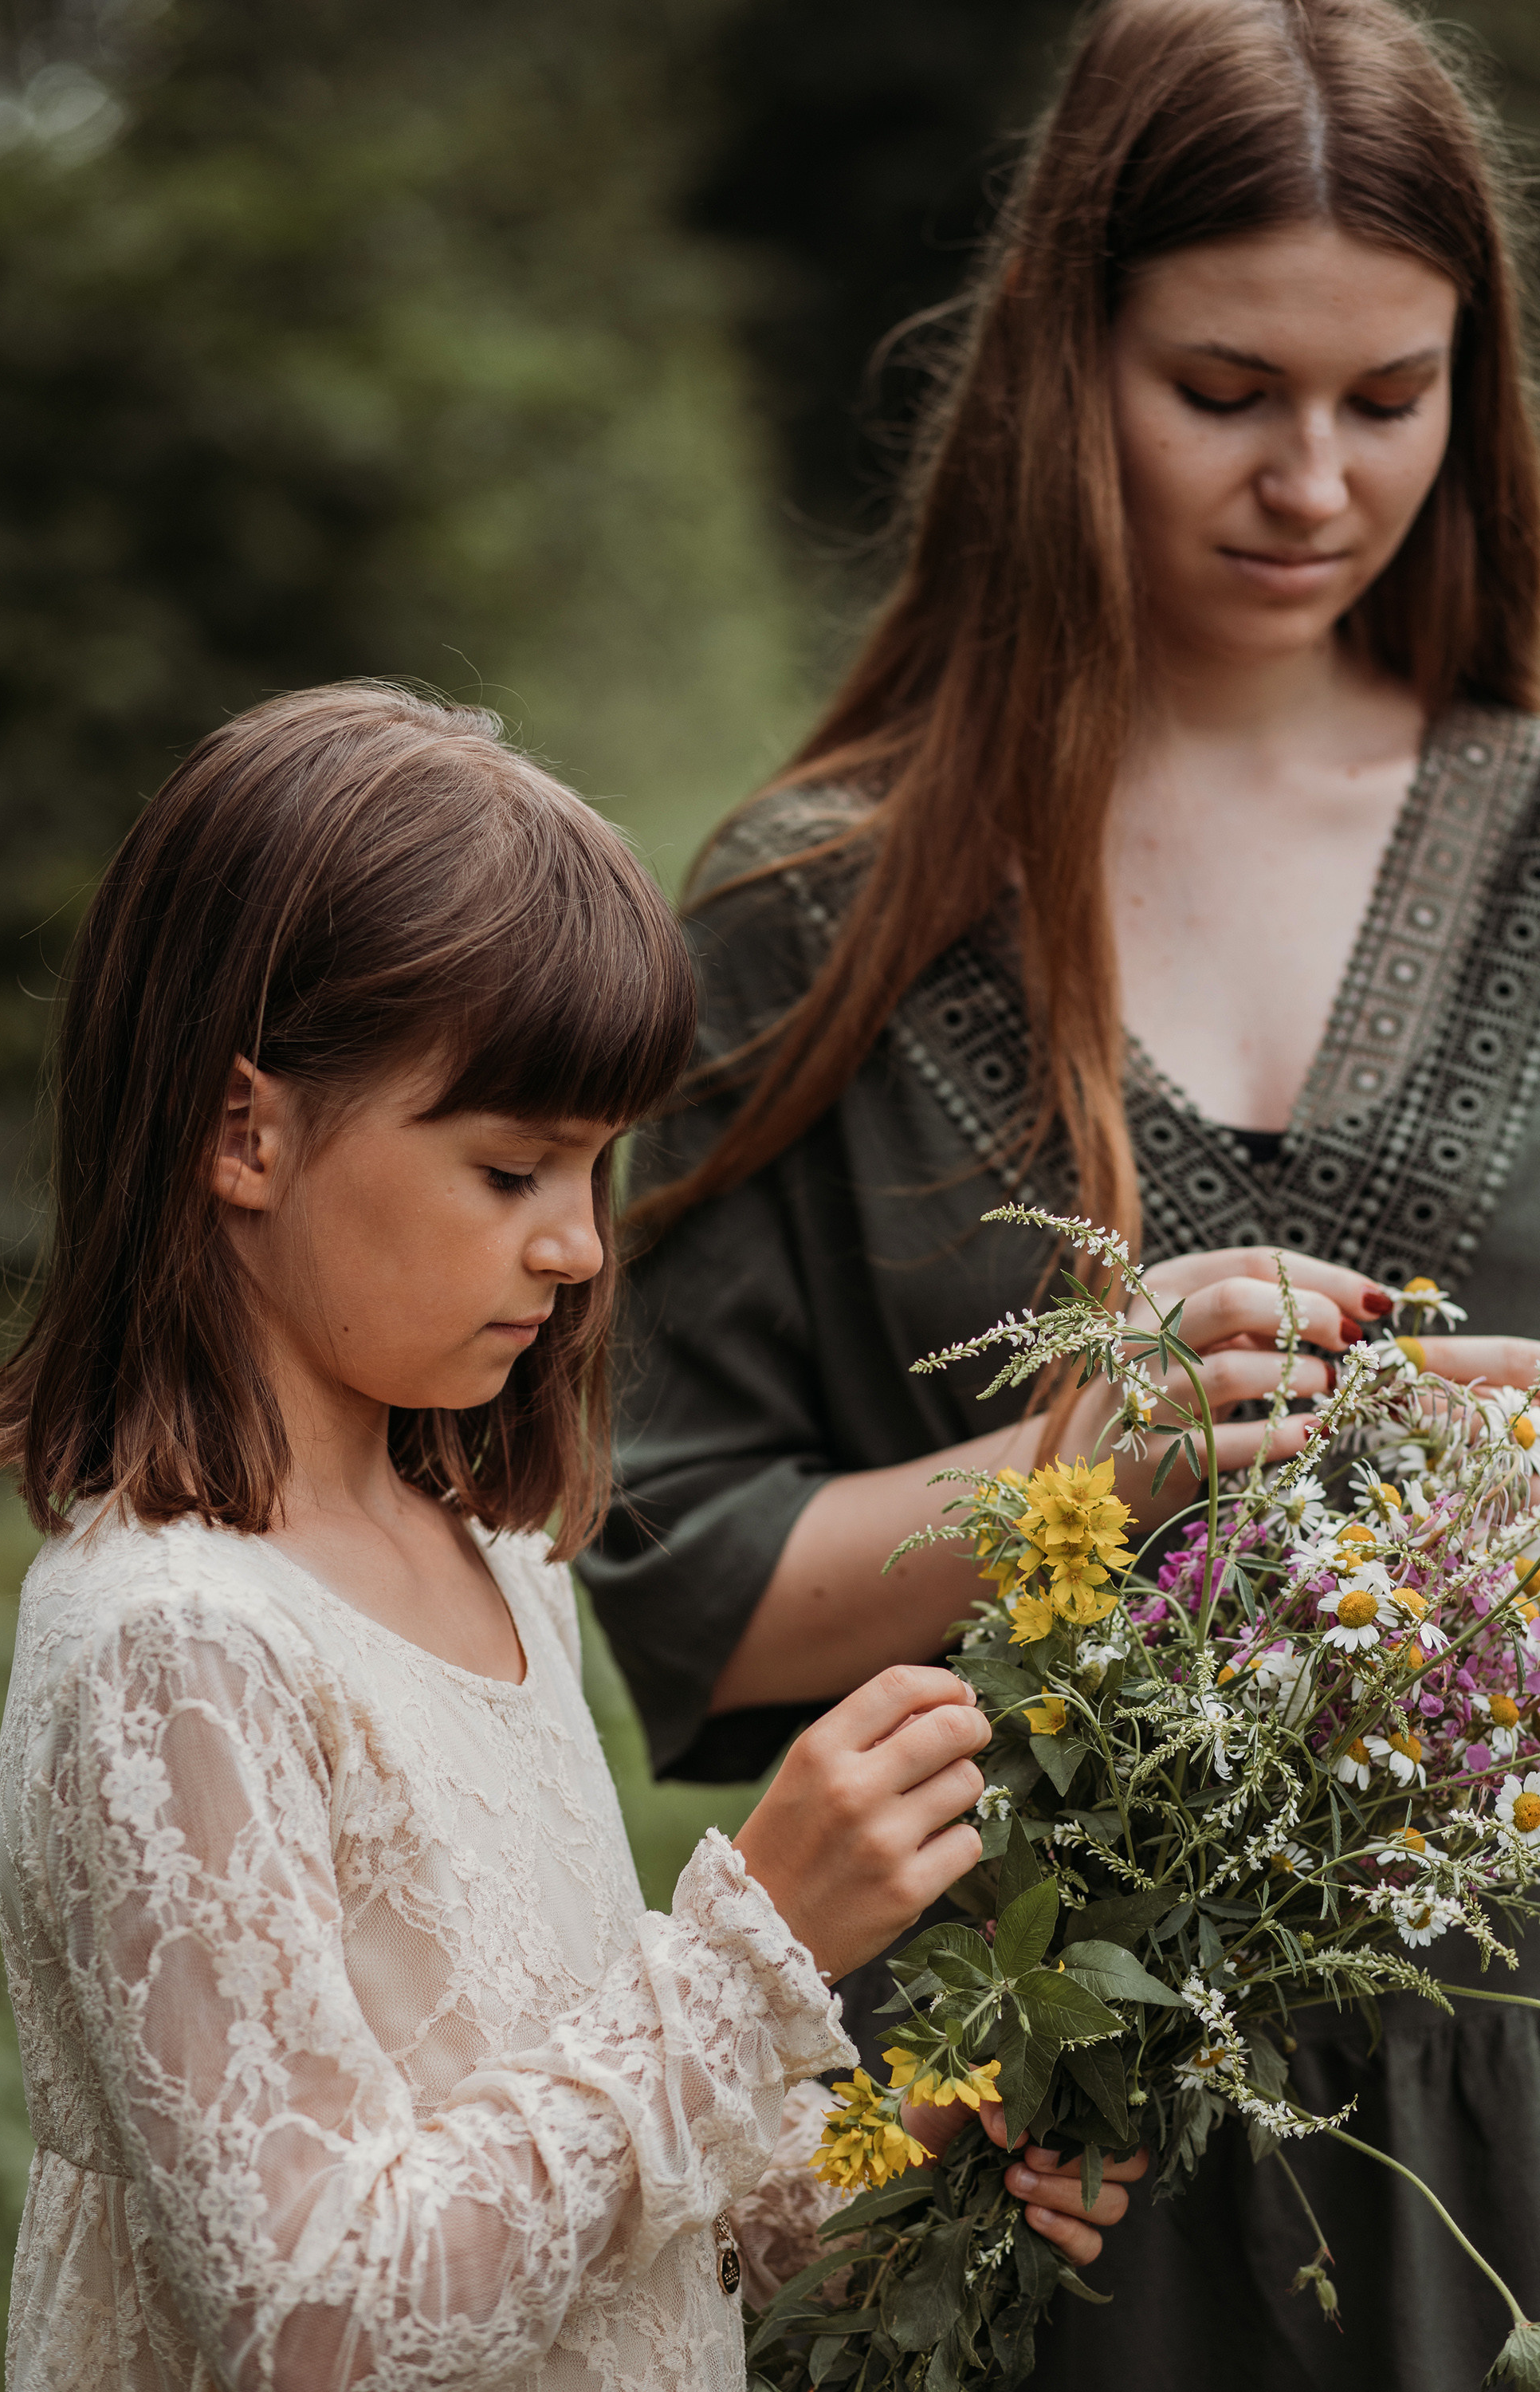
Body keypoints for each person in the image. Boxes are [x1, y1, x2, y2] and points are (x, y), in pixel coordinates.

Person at [578, 0, 1540, 2383]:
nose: (1311, 479)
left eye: (1389, 398)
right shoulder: (820, 919)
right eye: (1224, 390)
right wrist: (1066, 1478)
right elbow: (676, 1575)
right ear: (1058, 361)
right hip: (1013, 2154)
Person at [0, 684, 1129, 2392]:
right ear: (243, 1133)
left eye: (595, 1172)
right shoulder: (178, 1645)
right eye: (513, 1171)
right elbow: (316, 2315)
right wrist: (752, 1956)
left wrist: (905, 2159)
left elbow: (576, 2178)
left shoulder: (491, 1553)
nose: (580, 1247)